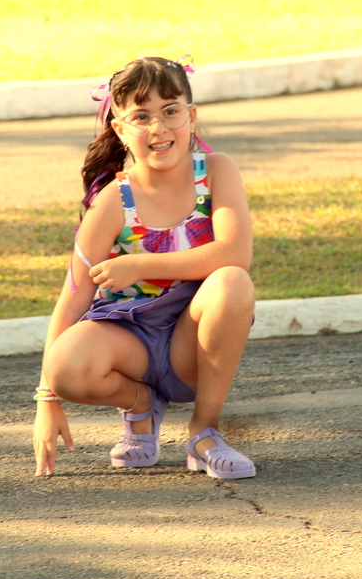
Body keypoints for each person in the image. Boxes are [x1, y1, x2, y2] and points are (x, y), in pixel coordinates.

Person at [32, 56, 256, 479]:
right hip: (131, 344)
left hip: (193, 344)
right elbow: (73, 298)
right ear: (120, 129)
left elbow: (235, 253)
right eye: (141, 116)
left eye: (170, 111)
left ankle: (204, 433)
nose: (159, 127)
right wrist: (48, 399)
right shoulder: (112, 201)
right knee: (65, 366)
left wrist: (139, 265)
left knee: (232, 281)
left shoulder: (217, 171)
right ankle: (140, 406)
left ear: (191, 116)